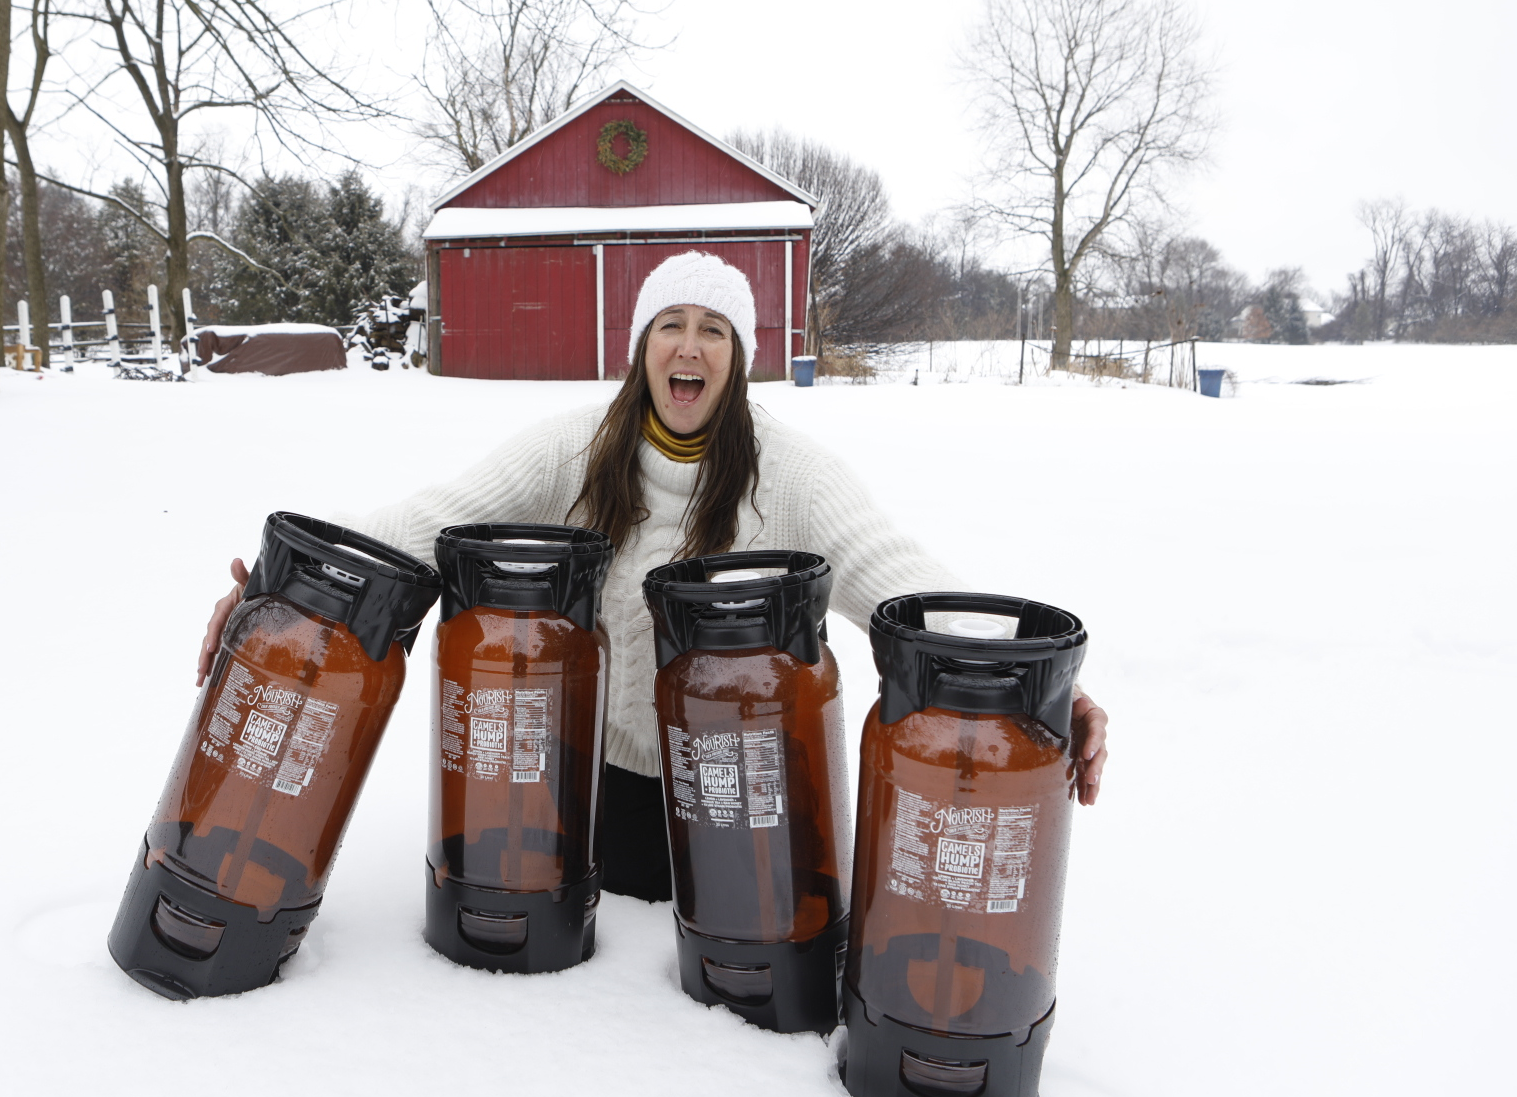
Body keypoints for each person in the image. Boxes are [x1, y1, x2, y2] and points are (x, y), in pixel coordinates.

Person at [196, 250, 1111, 900]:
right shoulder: (576, 447)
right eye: (670, 324)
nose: (689, 345)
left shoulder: (790, 472)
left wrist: (1037, 684)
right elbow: (433, 517)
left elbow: (893, 573)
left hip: (747, 795)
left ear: (737, 358)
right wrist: (277, 591)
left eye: (713, 330)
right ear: (642, 347)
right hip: (601, 794)